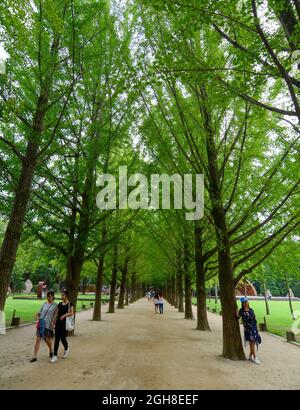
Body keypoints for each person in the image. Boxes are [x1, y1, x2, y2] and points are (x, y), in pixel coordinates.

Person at [30, 290, 57, 363]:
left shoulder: (55, 305)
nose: (48, 298)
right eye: (48, 296)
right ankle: (35, 356)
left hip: (48, 325)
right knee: (38, 339)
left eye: (50, 297)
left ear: (53, 297)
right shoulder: (44, 304)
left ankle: (51, 349)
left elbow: (56, 315)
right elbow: (40, 312)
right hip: (41, 323)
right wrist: (36, 316)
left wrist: (54, 322)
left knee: (47, 340)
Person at [51, 289, 74, 363]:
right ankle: (55, 356)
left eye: (63, 295)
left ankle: (66, 348)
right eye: (61, 295)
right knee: (57, 339)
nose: (61, 296)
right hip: (58, 323)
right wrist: (53, 320)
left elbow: (72, 313)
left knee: (63, 339)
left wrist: (64, 315)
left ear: (66, 296)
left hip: (65, 324)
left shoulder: (70, 304)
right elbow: (57, 314)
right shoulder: (60, 304)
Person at [238, 297, 261, 364]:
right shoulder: (241, 311)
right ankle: (255, 357)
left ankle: (251, 356)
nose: (245, 304)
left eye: (246, 302)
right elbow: (237, 317)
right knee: (252, 343)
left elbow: (255, 319)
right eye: (244, 303)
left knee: (253, 342)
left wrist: (257, 328)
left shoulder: (251, 310)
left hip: (254, 328)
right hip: (248, 329)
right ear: (242, 304)